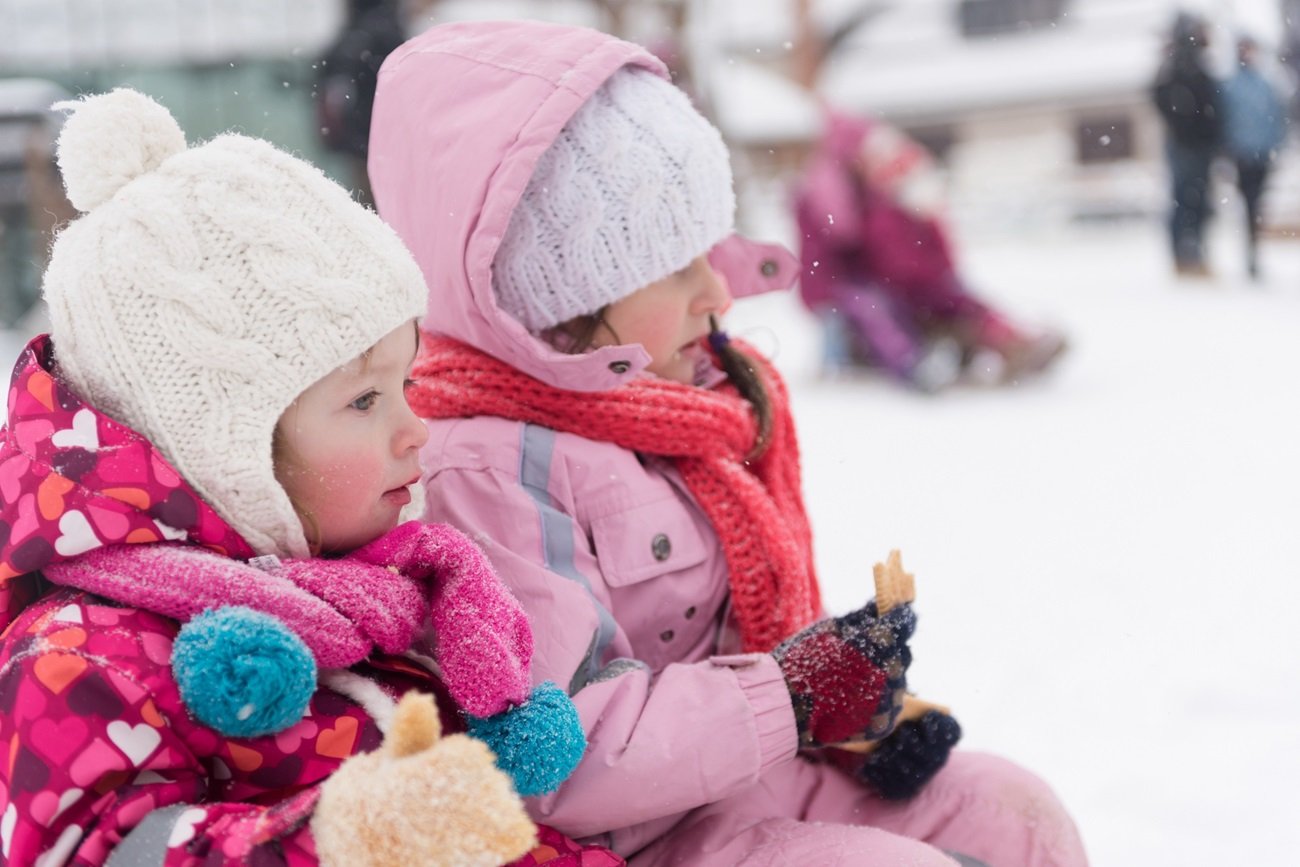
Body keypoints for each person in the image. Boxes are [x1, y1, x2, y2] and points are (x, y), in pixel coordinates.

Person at [368, 21, 1090, 866]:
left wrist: (861, 709)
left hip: (750, 779)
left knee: (1013, 810)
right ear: (558, 295)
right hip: (627, 834)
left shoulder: (682, 407)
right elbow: (555, 760)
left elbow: (743, 623)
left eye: (712, 254)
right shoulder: (491, 465)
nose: (718, 294)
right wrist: (789, 696)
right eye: (677, 268)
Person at [0, 88, 622, 867]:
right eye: (363, 399)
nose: (413, 428)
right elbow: (95, 850)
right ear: (218, 448)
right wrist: (341, 840)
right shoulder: (82, 659)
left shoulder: (394, 594)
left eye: (407, 383)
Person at [795, 109, 1068, 390]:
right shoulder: (834, 194)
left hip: (905, 280)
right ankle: (912, 363)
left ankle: (1012, 340)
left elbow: (927, 250)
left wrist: (938, 272)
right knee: (879, 311)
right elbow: (841, 252)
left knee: (963, 299)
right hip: (853, 283)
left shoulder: (888, 198)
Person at [1153, 12, 1222, 278]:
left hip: (1199, 145)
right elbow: (1163, 100)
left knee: (1199, 201)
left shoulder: (1198, 64)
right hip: (1186, 146)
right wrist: (1183, 128)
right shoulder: (1179, 64)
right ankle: (1184, 256)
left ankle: (1195, 254)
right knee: (1187, 200)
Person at [316, 0, 406, 205]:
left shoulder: (354, 32)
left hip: (361, 135)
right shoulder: (382, 30)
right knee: (378, 201)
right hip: (372, 135)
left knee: (368, 200)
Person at [1221, 35, 1289, 279]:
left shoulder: (1265, 84)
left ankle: (1255, 250)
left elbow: (1277, 118)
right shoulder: (1230, 86)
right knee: (1249, 204)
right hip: (1242, 155)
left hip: (1263, 154)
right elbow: (1224, 121)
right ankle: (1250, 253)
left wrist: (1277, 146)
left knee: (1259, 204)